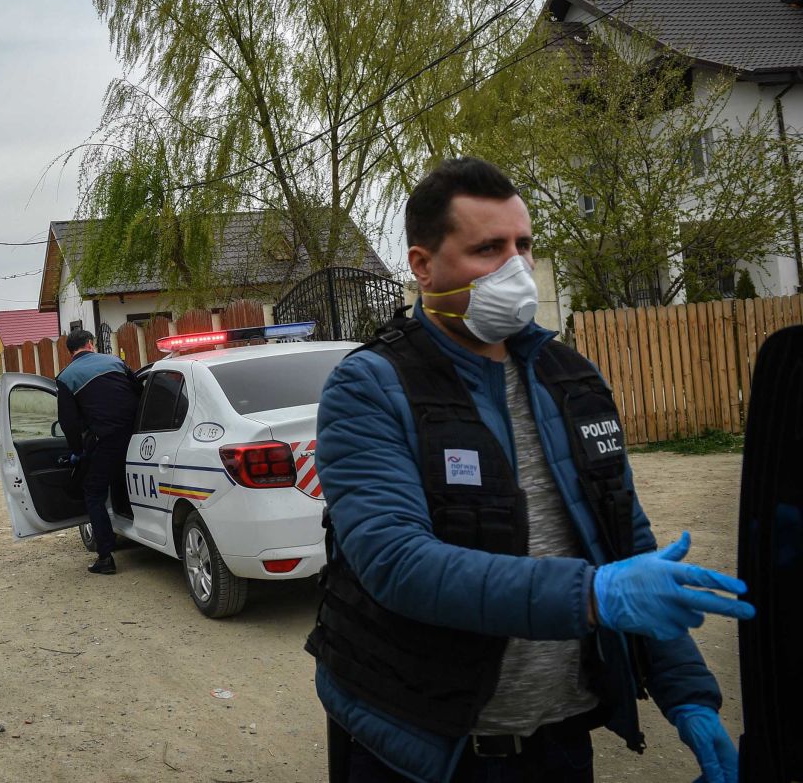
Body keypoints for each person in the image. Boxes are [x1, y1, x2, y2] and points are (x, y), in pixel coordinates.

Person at [307, 157, 756, 783]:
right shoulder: (370, 387)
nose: (515, 268)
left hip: (560, 740)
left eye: (522, 245)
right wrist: (592, 595)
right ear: (423, 265)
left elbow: (625, 541)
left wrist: (689, 695)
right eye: (488, 249)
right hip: (423, 746)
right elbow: (397, 563)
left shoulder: (570, 376)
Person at [56, 328, 142, 574]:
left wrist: (77, 450)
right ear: (91, 344)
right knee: (121, 480)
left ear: (71, 352)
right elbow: (139, 391)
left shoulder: (65, 377)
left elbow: (68, 423)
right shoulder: (115, 361)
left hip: (105, 441)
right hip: (138, 435)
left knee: (93, 492)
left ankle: (106, 556)